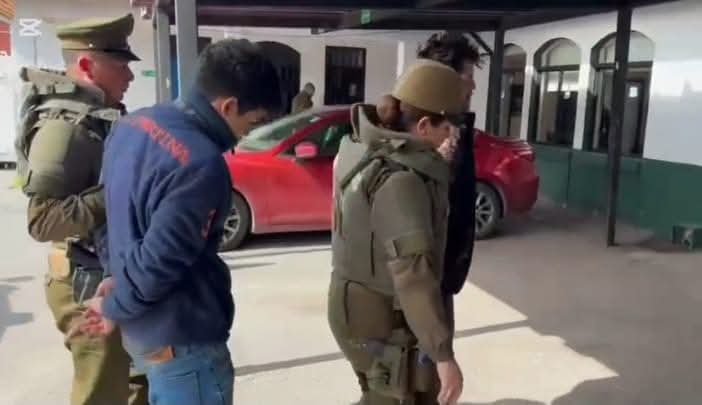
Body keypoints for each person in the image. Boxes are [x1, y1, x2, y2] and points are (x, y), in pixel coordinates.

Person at [81, 38, 282, 405]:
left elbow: (108, 217)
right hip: (184, 343)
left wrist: (113, 280)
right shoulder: (201, 163)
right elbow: (159, 262)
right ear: (228, 106)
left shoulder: (131, 125)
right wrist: (112, 306)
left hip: (145, 332)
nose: (247, 135)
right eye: (251, 123)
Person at [13, 14, 148, 405]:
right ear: (88, 64)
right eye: (120, 64)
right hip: (84, 284)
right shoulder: (64, 129)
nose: (129, 75)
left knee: (138, 382)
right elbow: (43, 221)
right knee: (101, 392)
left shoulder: (98, 117)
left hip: (112, 275)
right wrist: (118, 192)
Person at [328, 59, 466, 405]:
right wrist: (443, 355)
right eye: (450, 126)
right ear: (423, 125)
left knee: (385, 393)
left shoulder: (366, 147)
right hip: (376, 316)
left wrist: (435, 161)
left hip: (355, 304)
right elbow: (413, 274)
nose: (455, 135)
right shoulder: (401, 181)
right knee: (392, 398)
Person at [417, 31, 483, 330]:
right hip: (424, 283)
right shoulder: (423, 133)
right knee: (433, 353)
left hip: (444, 276)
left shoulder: (457, 128)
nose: (474, 86)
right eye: (468, 77)